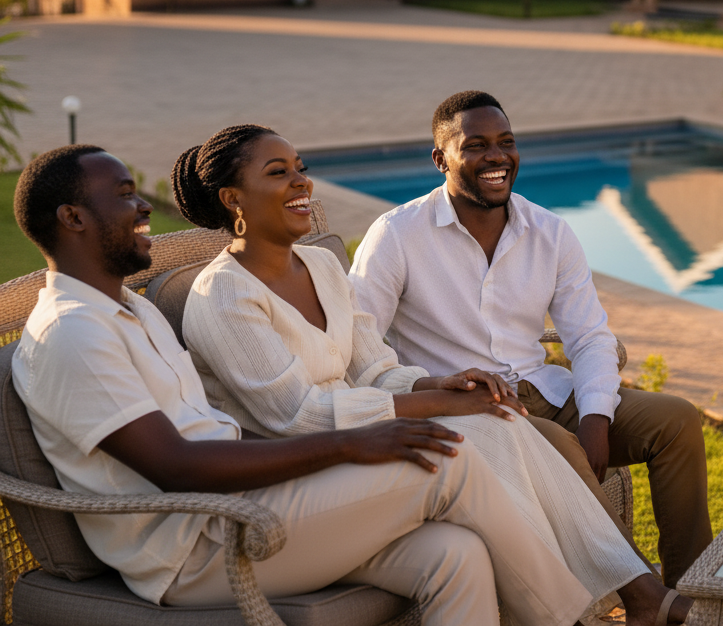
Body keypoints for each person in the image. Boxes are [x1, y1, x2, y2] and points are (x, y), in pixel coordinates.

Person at [10, 145, 672, 626]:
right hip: (192, 545)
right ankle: (597, 611)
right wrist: (356, 446)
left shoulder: (131, 308)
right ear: (72, 219)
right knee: (451, 457)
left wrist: (428, 391)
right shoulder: (73, 333)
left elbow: (219, 427)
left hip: (248, 499)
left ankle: (625, 592)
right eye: (124, 194)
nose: (142, 205)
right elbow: (178, 466)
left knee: (455, 552)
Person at [350, 90, 714, 589]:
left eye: (506, 142)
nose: (496, 156)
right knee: (560, 446)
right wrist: (430, 384)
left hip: (542, 392)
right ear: (441, 159)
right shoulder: (396, 236)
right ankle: (639, 593)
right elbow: (357, 344)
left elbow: (588, 336)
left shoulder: (550, 231)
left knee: (675, 420)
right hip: (467, 408)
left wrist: (596, 418)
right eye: (475, 145)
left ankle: (689, 590)